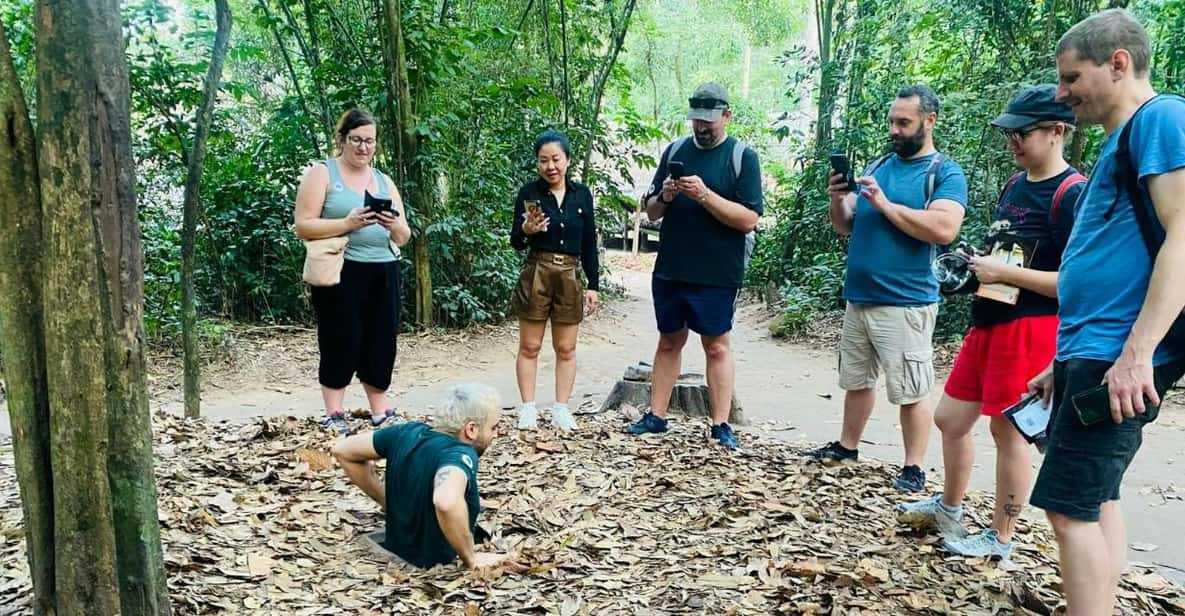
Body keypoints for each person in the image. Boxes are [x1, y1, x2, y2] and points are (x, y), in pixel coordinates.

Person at [1028, 10, 1185, 615]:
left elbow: (1182, 234)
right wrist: (1063, 362)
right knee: (1098, 499)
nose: (1062, 94)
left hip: (1118, 356)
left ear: (1118, 64)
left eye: (1071, 78)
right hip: (1091, 353)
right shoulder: (1121, 144)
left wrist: (1137, 353)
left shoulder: (1161, 118)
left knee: (1067, 510)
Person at [896, 84, 1085, 558]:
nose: (1013, 143)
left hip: (1031, 327)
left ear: (1057, 131)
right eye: (1009, 134)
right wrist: (979, 264)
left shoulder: (1072, 193)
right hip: (990, 317)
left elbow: (1076, 282)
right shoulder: (1015, 185)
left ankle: (1001, 538)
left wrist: (1005, 272)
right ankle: (950, 508)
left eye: (1023, 133)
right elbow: (1009, 254)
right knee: (950, 419)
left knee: (1009, 431)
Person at [806, 85, 968, 491]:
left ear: (929, 122)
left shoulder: (944, 173)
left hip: (906, 300)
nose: (894, 130)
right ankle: (847, 446)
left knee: (911, 387)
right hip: (860, 296)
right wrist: (838, 198)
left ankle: (913, 466)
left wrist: (886, 206)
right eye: (892, 122)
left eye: (904, 123)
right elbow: (846, 225)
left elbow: (945, 228)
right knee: (856, 380)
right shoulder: (879, 166)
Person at [625, 82, 763, 449]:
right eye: (697, 121)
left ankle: (720, 424)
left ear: (726, 116)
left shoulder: (742, 157)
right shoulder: (675, 150)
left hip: (718, 271)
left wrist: (705, 196)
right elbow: (651, 211)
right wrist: (665, 197)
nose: (702, 127)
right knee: (669, 341)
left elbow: (749, 218)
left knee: (716, 345)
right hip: (672, 266)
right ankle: (656, 416)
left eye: (709, 121)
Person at [295, 109, 412, 434]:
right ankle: (334, 414)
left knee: (382, 339)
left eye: (369, 141)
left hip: (384, 270)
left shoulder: (383, 180)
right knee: (340, 338)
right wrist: (347, 223)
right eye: (357, 140)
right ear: (342, 139)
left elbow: (404, 235)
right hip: (341, 270)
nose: (363, 147)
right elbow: (302, 226)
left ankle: (380, 411)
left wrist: (393, 225)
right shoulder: (322, 174)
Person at [331, 383, 526, 572]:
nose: (497, 434)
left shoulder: (407, 432)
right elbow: (446, 502)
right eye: (493, 427)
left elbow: (343, 451)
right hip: (433, 567)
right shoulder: (459, 454)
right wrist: (471, 557)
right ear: (471, 429)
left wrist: (386, 501)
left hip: (396, 550)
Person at [509, 130, 600, 431]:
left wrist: (594, 285)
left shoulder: (582, 195)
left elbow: (589, 242)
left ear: (568, 160)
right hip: (538, 271)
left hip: (570, 274)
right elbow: (516, 242)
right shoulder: (529, 193)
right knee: (530, 346)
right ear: (537, 164)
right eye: (543, 161)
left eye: (556, 159)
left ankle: (561, 408)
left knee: (566, 348)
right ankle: (528, 409)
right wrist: (527, 229)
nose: (550, 166)